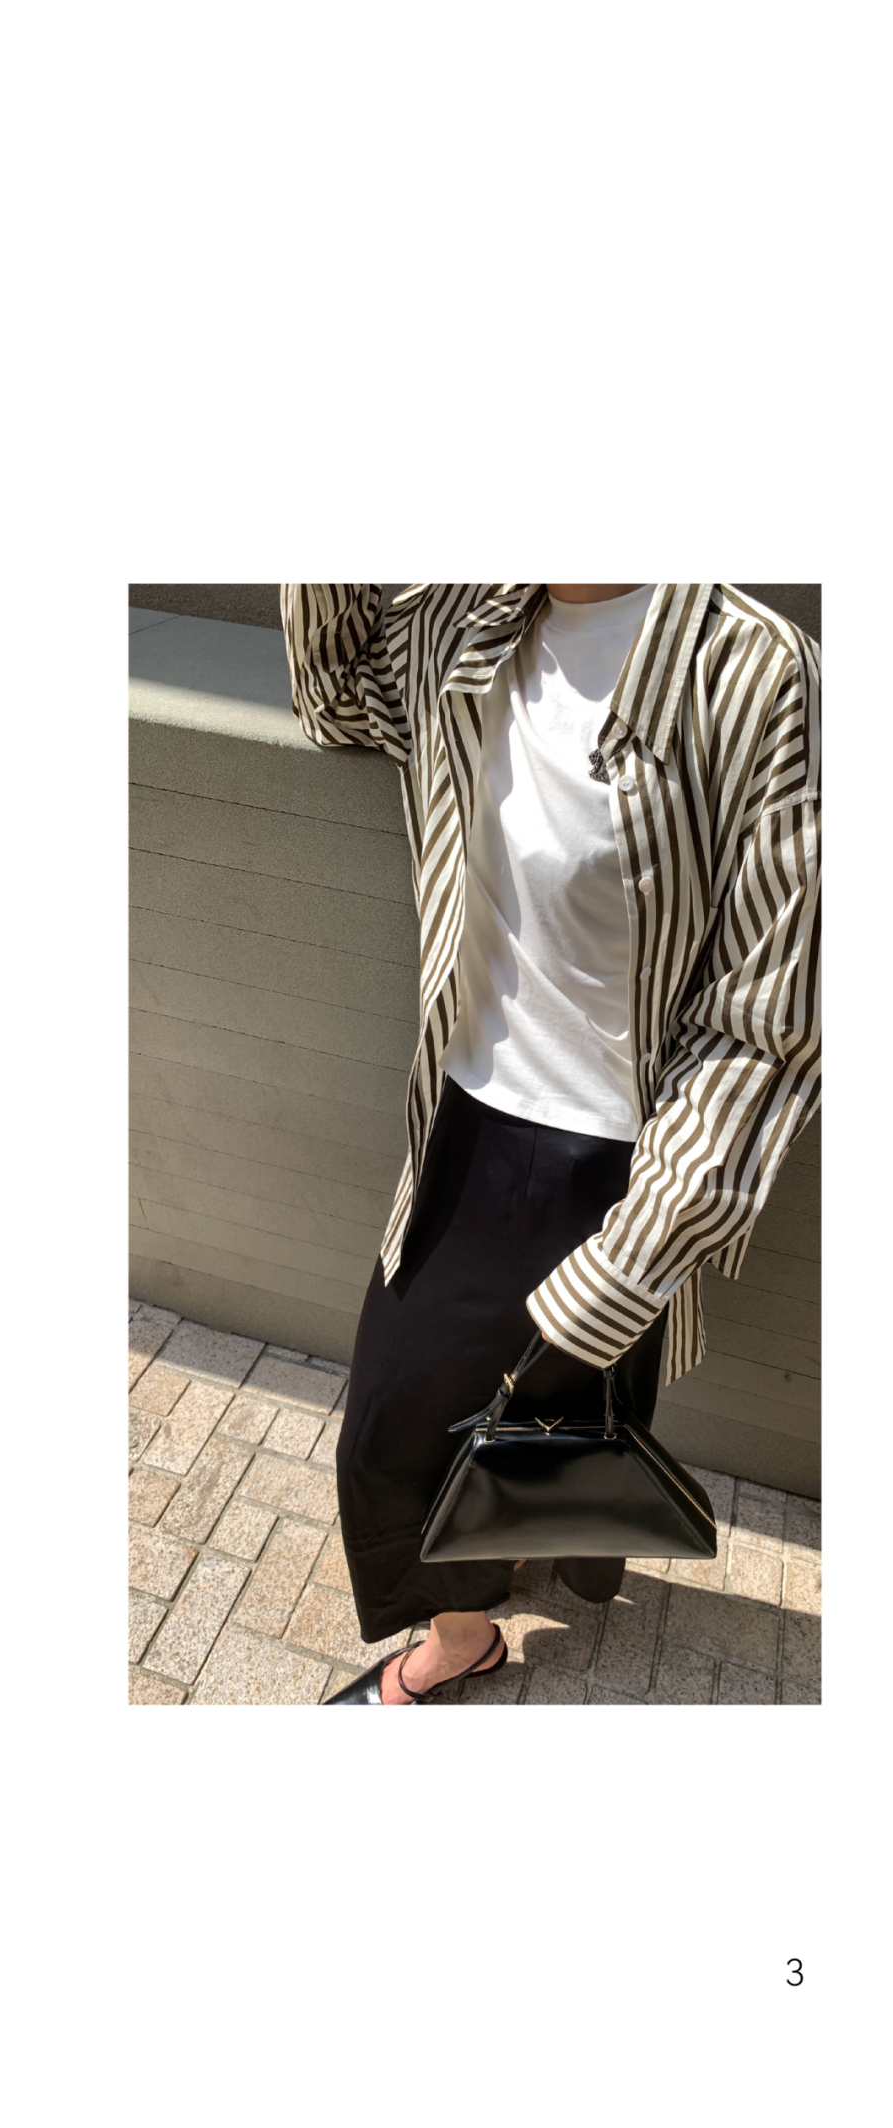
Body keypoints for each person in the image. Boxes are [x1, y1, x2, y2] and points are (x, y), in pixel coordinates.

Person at [280, 583, 821, 1705]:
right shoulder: (461, 617)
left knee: (559, 1439)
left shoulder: (755, 673)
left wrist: (633, 1258)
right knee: (387, 1437)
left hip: (629, 1175)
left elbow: (768, 1022)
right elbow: (331, 694)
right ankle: (463, 1633)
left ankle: (491, 1589)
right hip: (466, 1123)